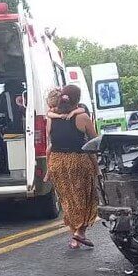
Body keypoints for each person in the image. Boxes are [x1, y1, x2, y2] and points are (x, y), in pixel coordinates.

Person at [46, 85, 99, 249]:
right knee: (85, 198)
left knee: (68, 200)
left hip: (57, 162)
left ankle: (75, 238)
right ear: (77, 99)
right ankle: (79, 233)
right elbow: (95, 141)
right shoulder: (83, 117)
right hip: (78, 161)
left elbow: (51, 142)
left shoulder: (51, 118)